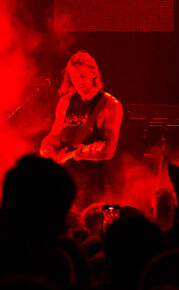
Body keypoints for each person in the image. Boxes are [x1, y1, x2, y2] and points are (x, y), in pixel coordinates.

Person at [39, 51, 123, 205]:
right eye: (74, 77)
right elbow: (54, 135)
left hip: (93, 183)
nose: (78, 81)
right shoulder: (65, 102)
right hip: (63, 180)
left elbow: (108, 151)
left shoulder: (110, 105)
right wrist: (46, 146)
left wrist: (78, 155)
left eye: (82, 76)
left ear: (93, 73)